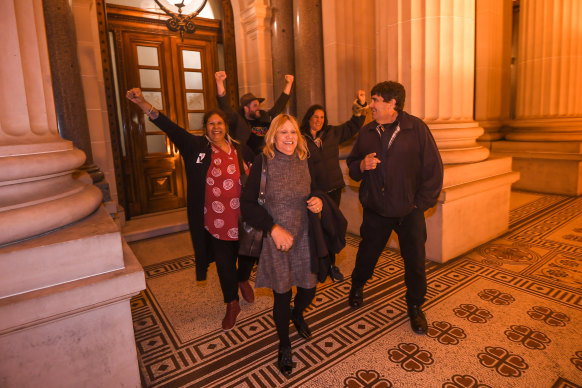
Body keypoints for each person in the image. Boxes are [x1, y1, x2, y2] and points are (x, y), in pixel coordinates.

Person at [126, 88, 255, 331]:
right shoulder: (195, 147)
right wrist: (143, 103)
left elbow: (258, 171)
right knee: (225, 264)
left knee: (249, 256)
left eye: (219, 123)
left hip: (243, 219)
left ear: (226, 126)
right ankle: (232, 303)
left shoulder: (240, 148)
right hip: (216, 221)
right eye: (210, 123)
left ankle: (243, 278)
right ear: (205, 127)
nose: (215, 127)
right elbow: (168, 126)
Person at [345, 81, 443, 335]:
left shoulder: (416, 129)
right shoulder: (367, 132)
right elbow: (352, 166)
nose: (372, 105)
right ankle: (357, 286)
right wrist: (361, 166)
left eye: (376, 100)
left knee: (415, 262)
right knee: (367, 255)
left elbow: (434, 170)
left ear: (392, 104)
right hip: (376, 210)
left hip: (409, 212)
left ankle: (415, 306)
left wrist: (418, 205)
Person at [240, 114, 323, 377]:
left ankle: (297, 314)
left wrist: (318, 200)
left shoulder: (305, 159)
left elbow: (318, 188)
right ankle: (285, 345)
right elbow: (248, 205)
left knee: (309, 290)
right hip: (277, 239)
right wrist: (273, 229)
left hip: (304, 235)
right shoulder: (263, 163)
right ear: (273, 136)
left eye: (293, 132)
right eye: (283, 133)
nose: (289, 138)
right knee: (282, 294)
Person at [300, 90, 368, 282]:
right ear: (309, 118)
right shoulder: (300, 138)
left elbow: (353, 126)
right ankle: (314, 264)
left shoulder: (331, 133)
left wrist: (360, 107)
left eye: (322, 117)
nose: (318, 120)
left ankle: (330, 264)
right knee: (315, 229)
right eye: (315, 117)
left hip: (333, 190)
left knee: (330, 227)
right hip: (313, 192)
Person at [215, 71, 294, 156]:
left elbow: (280, 105)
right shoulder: (238, 120)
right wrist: (219, 82)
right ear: (246, 108)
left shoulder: (265, 117)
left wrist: (288, 84)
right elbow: (225, 106)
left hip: (264, 159)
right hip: (245, 160)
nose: (259, 108)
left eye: (259, 105)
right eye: (255, 105)